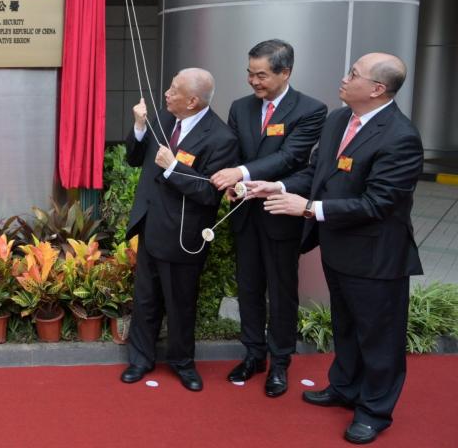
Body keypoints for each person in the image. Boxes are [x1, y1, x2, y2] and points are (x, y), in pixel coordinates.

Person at [247, 53, 423, 445]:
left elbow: (378, 204)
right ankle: (344, 387)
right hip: (339, 249)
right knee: (345, 326)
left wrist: (308, 208)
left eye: (354, 75)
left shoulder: (400, 137)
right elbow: (317, 172)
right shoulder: (339, 120)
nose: (344, 79)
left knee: (379, 339)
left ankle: (375, 411)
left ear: (377, 89)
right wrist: (278, 187)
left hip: (377, 257)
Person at [210, 39, 326, 397]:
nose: (253, 81)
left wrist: (240, 173)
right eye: (249, 73)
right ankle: (253, 355)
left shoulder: (310, 109)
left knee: (281, 291)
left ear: (285, 72)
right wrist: (231, 182)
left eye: (261, 75)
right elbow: (231, 152)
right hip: (245, 214)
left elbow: (291, 157)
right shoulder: (240, 107)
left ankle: (280, 363)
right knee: (248, 288)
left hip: (280, 215)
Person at [120, 68, 238, 392]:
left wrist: (173, 167)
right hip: (151, 223)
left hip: (184, 235)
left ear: (193, 100)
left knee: (180, 303)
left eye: (174, 90)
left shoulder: (221, 138)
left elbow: (209, 193)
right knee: (145, 299)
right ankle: (140, 360)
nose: (166, 94)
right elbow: (134, 158)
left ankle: (182, 363)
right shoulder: (165, 117)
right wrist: (140, 127)